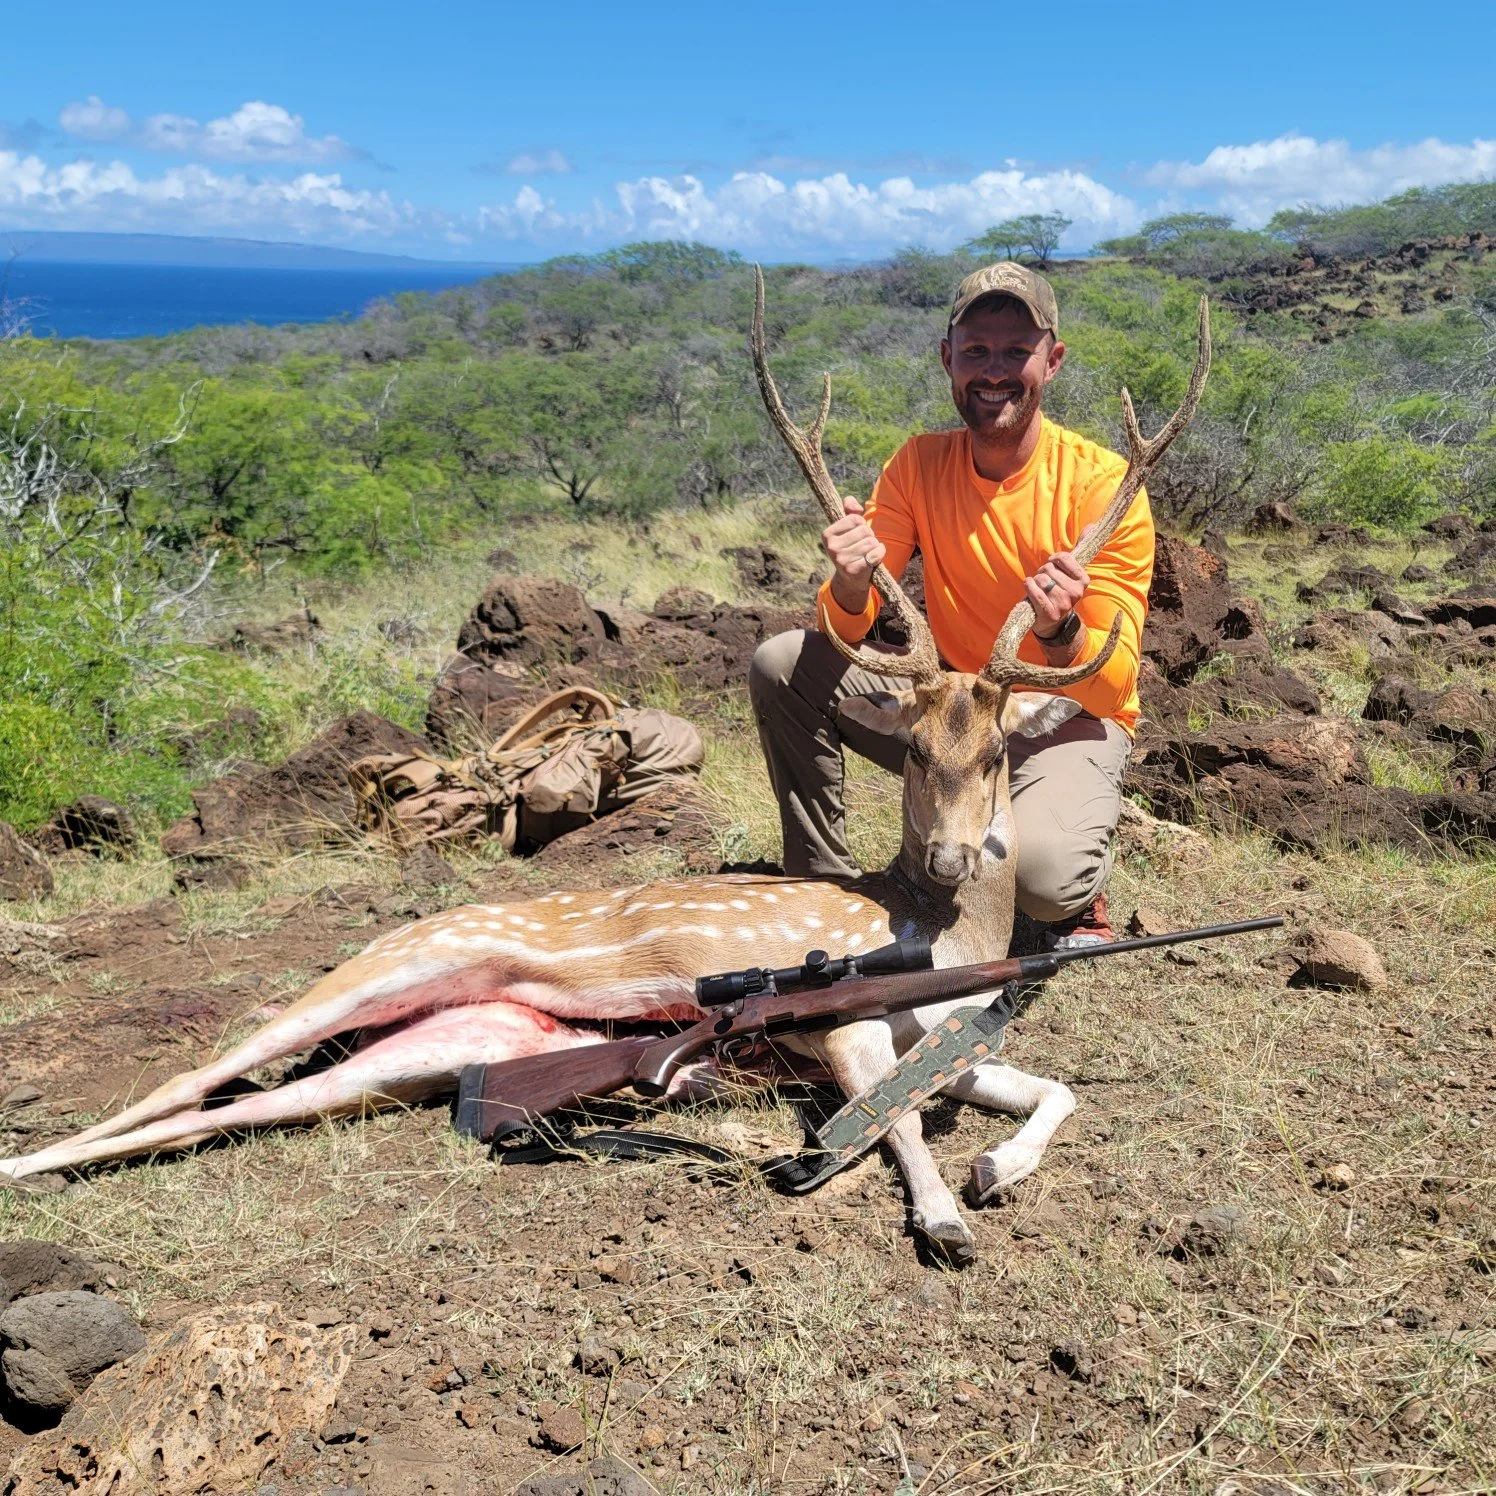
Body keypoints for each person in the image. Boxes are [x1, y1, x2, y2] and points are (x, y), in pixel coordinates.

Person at [748, 261, 1156, 946]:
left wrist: (1060, 633)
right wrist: (850, 582)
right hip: (948, 714)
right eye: (975, 351)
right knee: (783, 663)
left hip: (1060, 716)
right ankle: (823, 883)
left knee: (1045, 884)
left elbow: (1114, 681)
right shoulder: (917, 465)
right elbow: (844, 621)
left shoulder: (1103, 486)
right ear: (948, 359)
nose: (993, 370)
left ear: (1051, 361)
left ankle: (1072, 872)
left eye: (1015, 352)